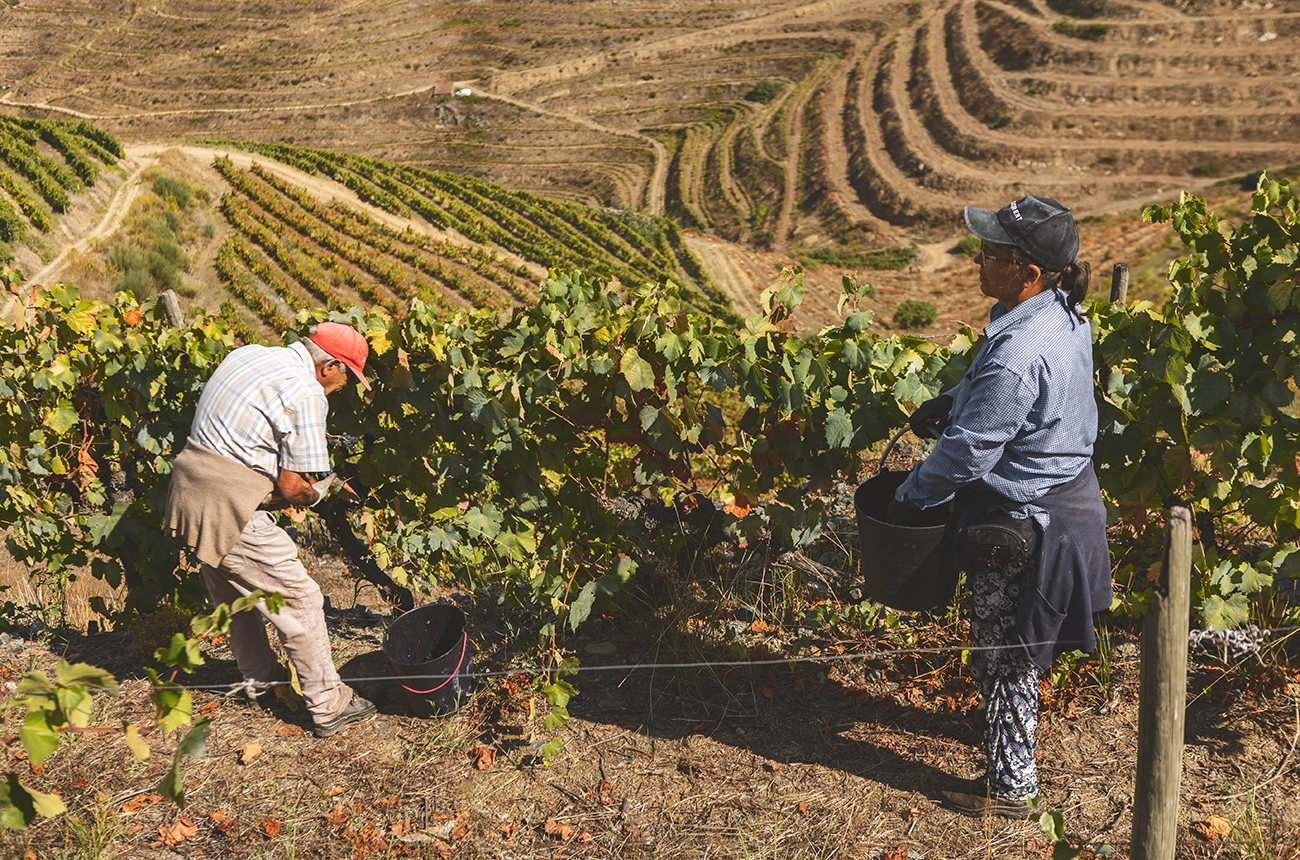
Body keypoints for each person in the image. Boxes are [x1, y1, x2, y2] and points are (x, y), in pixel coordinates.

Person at [887, 196, 1111, 818]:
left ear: (1028, 272)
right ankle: (1002, 738)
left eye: (990, 254)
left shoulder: (1018, 353)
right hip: (1067, 493)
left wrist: (910, 499)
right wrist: (953, 397)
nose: (977, 261)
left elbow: (967, 454)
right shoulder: (1059, 311)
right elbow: (994, 389)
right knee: (1009, 649)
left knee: (1005, 653)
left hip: (1027, 518)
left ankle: (1012, 790)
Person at [165, 322, 378, 738]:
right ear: (329, 366)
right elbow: (293, 486)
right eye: (345, 379)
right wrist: (318, 494)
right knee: (300, 599)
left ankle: (260, 682)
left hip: (190, 490)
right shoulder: (306, 392)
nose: (342, 388)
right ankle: (329, 704)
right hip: (231, 505)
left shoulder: (249, 355)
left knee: (234, 594)